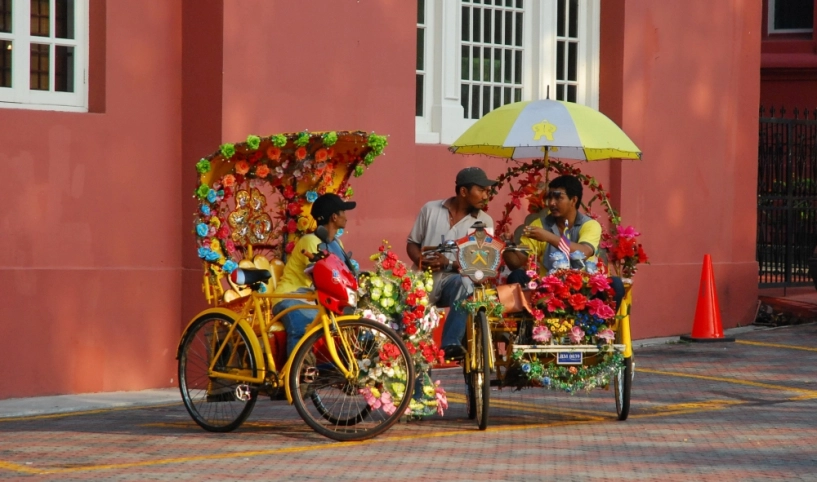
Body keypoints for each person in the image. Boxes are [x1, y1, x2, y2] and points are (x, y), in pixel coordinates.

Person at [406, 166, 496, 360]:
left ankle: (451, 343)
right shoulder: (430, 209)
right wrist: (419, 259)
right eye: (481, 190)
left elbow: (479, 268)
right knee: (413, 339)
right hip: (422, 279)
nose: (486, 195)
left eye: (487, 191)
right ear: (464, 192)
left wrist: (448, 263)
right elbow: (413, 243)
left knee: (465, 283)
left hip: (454, 283)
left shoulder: (484, 221)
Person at [502, 174, 624, 308]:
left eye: (558, 197)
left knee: (616, 284)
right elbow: (515, 263)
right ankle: (527, 327)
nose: (551, 203)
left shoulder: (590, 225)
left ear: (573, 200)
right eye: (550, 197)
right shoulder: (539, 225)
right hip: (547, 290)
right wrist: (507, 245)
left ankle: (601, 326)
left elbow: (584, 251)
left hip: (584, 290)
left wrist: (548, 237)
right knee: (517, 276)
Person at [272, 193, 356, 357]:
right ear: (334, 217)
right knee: (303, 326)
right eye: (343, 212)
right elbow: (320, 277)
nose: (346, 217)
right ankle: (299, 377)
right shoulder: (310, 241)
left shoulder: (337, 243)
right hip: (291, 296)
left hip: (314, 299)